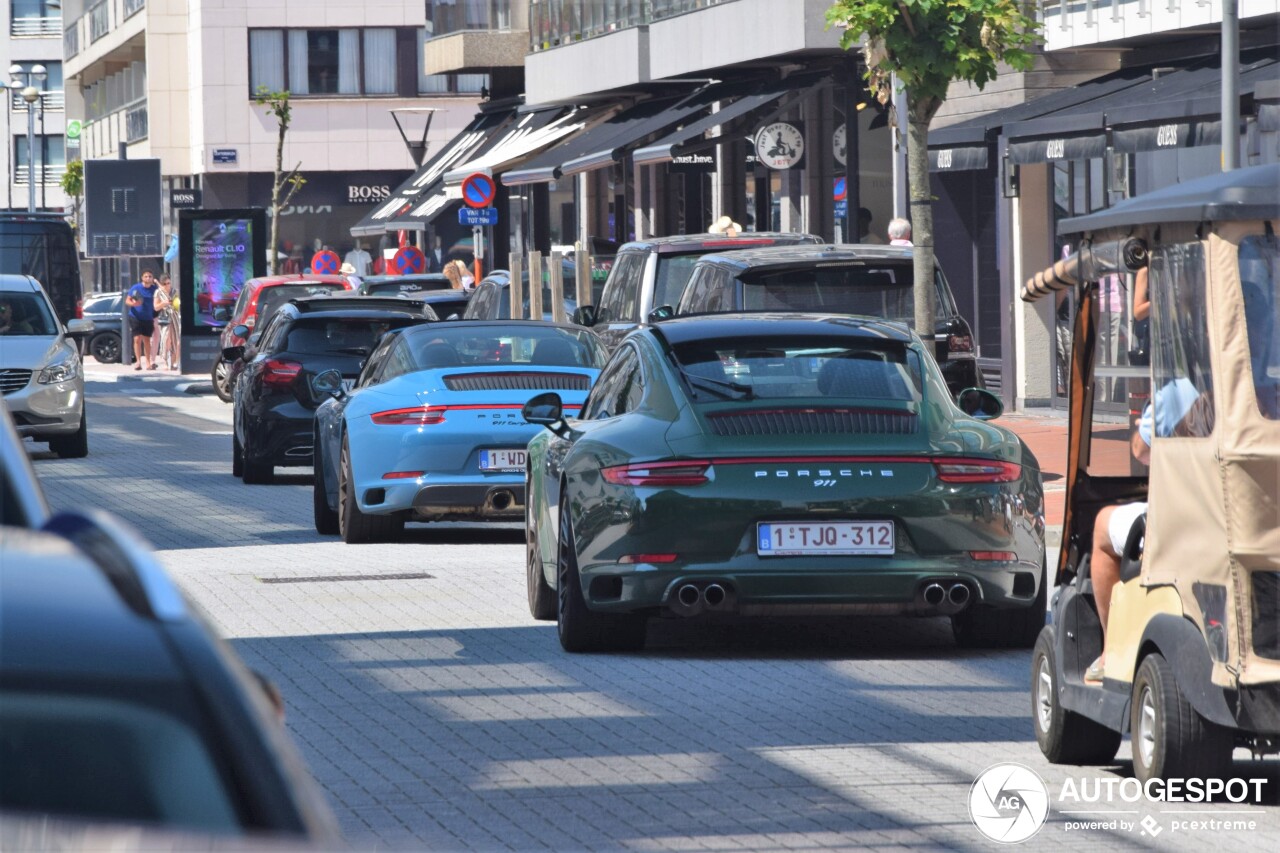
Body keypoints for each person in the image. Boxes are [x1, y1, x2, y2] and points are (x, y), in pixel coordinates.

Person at [1086, 375, 1203, 682]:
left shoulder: (1183, 390)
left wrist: (1147, 417)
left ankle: (1110, 651)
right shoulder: (1265, 382)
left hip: (1186, 516)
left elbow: (1141, 449)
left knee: (1101, 526)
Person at [126, 270, 160, 370]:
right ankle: (138, 362)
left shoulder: (155, 289)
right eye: (146, 276)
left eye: (150, 276)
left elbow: (163, 294)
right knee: (137, 339)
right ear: (142, 278)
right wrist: (134, 304)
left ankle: (148, 362)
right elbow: (127, 300)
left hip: (148, 318)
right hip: (135, 316)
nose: (148, 278)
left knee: (146, 340)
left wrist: (157, 283)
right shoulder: (136, 288)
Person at [153, 274, 180, 371]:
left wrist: (176, 303)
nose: (167, 285)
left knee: (175, 340)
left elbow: (178, 303)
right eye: (165, 284)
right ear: (162, 284)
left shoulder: (174, 291)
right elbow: (155, 307)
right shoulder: (158, 292)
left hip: (175, 317)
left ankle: (173, 362)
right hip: (165, 317)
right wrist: (163, 303)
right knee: (166, 339)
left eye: (169, 283)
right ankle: (165, 361)